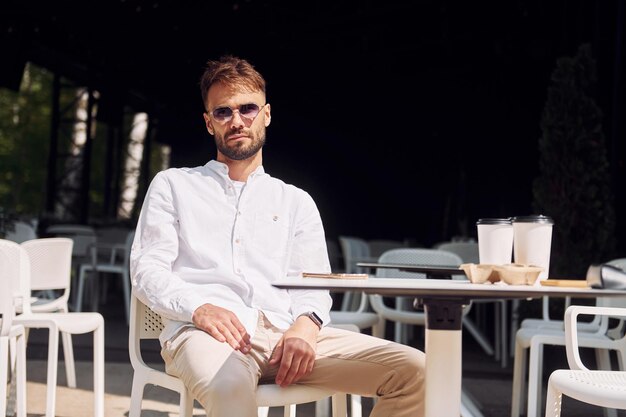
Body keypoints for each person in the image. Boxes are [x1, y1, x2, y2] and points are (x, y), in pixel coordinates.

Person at [130, 55, 425, 417]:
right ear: (209, 123)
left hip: (286, 337)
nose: (236, 121)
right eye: (223, 112)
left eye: (247, 109)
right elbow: (147, 269)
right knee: (228, 387)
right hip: (205, 335)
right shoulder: (174, 185)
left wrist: (306, 326)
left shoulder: (296, 201)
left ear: (266, 114)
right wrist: (199, 308)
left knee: (417, 371)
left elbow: (313, 283)